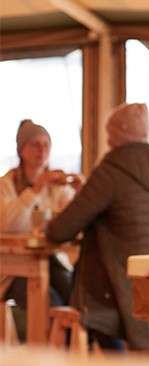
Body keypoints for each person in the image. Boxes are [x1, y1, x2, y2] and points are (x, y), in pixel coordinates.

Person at [46, 103, 149, 351]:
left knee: (83, 302)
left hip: (124, 292)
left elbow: (59, 231)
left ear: (118, 133)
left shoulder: (111, 170)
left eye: (109, 133)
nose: (107, 141)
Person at [0, 119, 79, 338]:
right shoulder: (6, 184)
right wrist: (35, 190)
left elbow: (75, 219)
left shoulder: (56, 186)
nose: (42, 150)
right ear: (22, 149)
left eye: (46, 144)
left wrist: (80, 191)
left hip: (50, 261)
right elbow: (7, 225)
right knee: (49, 302)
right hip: (12, 269)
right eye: (35, 144)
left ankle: (73, 353)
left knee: (76, 296)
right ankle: (50, 357)